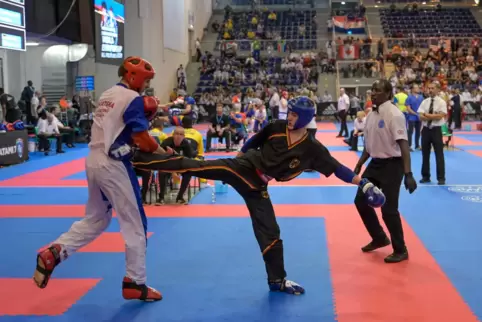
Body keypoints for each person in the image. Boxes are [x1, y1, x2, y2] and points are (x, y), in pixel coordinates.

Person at [132, 96, 386, 294]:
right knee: (196, 165)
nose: (290, 117)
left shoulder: (313, 149)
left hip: (258, 186)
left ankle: (277, 280)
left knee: (270, 231)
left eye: (295, 115)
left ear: (305, 118)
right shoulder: (276, 126)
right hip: (243, 168)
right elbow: (256, 138)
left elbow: (338, 168)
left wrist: (362, 183)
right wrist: (242, 152)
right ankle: (140, 160)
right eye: (290, 113)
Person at [33, 56, 171, 302]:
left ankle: (55, 252)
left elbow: (117, 128)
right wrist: (164, 152)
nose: (145, 86)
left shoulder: (108, 94)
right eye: (145, 81)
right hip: (113, 164)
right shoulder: (133, 99)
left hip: (92, 161)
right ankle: (135, 282)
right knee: (135, 224)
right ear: (132, 77)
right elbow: (141, 138)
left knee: (97, 219)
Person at [353, 79, 417, 264]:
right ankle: (379, 237)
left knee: (389, 209)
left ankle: (400, 249)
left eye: (378, 90)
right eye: (372, 89)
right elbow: (369, 144)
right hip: (374, 164)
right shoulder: (371, 115)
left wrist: (408, 174)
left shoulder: (394, 114)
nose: (373, 93)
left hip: (392, 165)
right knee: (360, 201)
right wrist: (360, 163)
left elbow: (403, 145)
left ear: (388, 94)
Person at [418, 82, 447, 185]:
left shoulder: (442, 102)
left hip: (436, 130)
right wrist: (432, 115)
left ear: (437, 89)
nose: (430, 90)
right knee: (425, 154)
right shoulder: (425, 102)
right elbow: (420, 116)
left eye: (432, 88)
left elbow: (440, 116)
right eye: (429, 88)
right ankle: (425, 177)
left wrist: (426, 114)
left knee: (439, 154)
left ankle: (441, 178)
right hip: (426, 130)